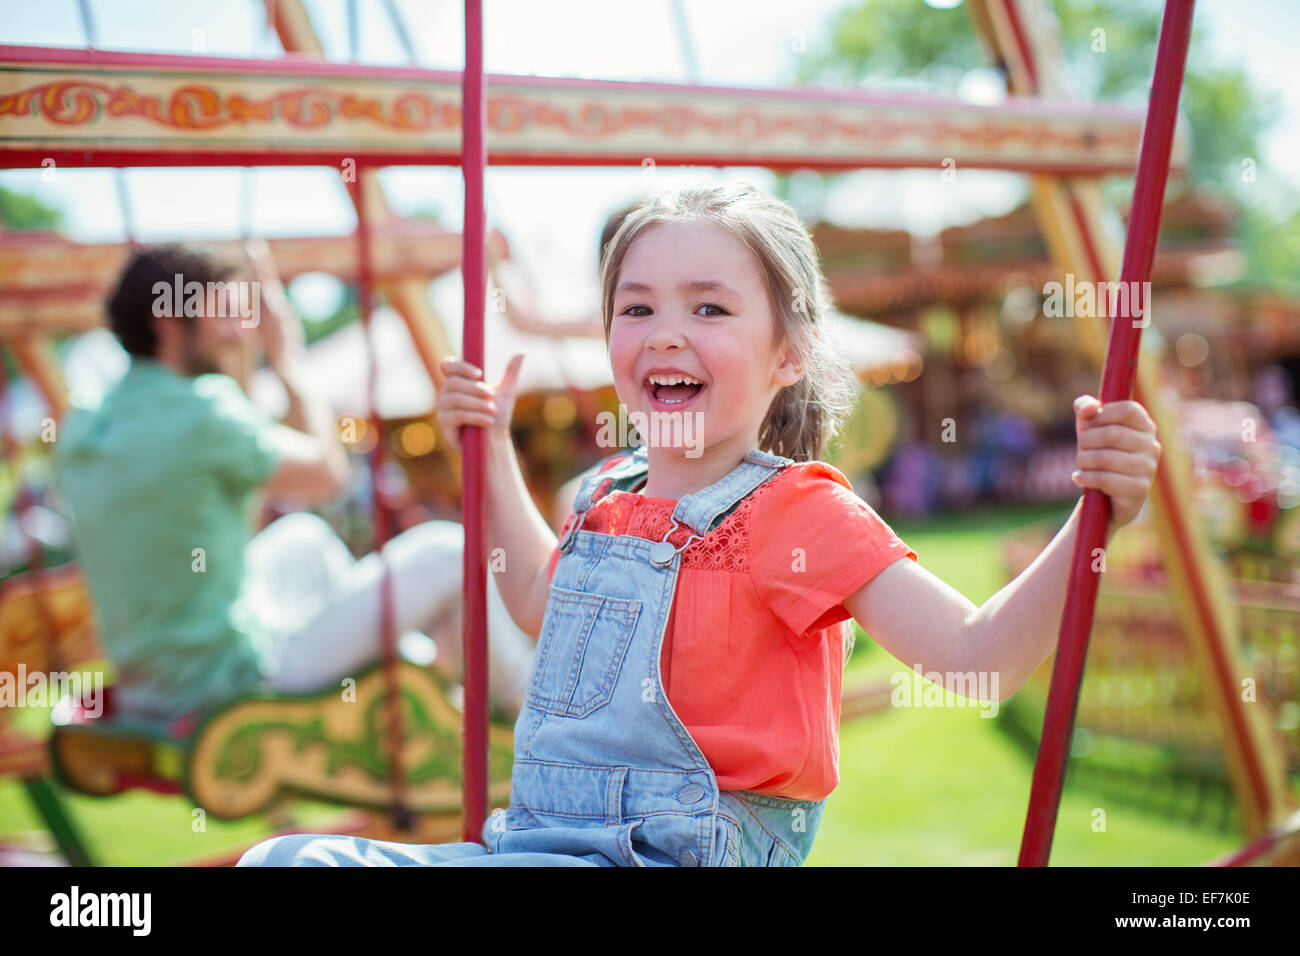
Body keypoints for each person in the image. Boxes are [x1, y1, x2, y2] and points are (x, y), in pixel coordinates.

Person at [237, 181, 1161, 867]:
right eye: (636, 307)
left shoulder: (796, 510)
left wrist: (1094, 520)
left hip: (673, 854)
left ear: (788, 353)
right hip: (549, 844)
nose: (665, 331)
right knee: (285, 861)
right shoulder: (608, 495)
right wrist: (486, 455)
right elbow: (532, 602)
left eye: (709, 307)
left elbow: (975, 662)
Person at [54, 242, 534, 737]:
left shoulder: (85, 419)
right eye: (222, 316)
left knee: (303, 541)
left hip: (149, 680)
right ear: (168, 324)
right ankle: (530, 709)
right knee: (447, 550)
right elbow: (330, 476)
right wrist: (288, 357)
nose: (239, 334)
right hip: (231, 681)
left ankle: (416, 665)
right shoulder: (202, 411)